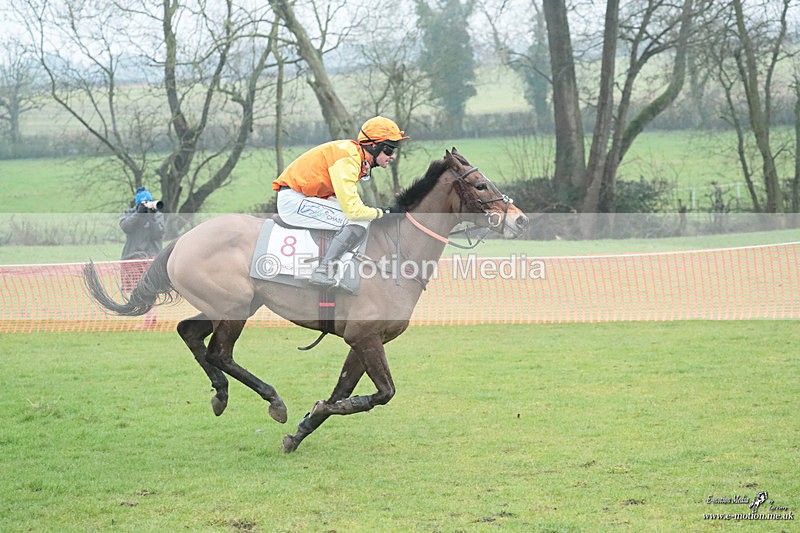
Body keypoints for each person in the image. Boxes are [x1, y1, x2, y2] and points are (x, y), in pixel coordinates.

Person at [272, 116, 409, 288]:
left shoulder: (355, 157)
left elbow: (350, 203)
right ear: (374, 146)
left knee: (361, 217)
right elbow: (354, 211)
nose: (393, 156)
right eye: (389, 150)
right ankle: (323, 272)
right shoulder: (349, 159)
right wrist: (384, 213)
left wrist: (379, 212)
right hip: (294, 202)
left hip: (304, 197)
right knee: (360, 220)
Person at [120, 186, 165, 329]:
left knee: (149, 288)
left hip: (151, 257)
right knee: (137, 289)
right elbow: (126, 227)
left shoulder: (157, 214)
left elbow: (158, 234)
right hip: (133, 256)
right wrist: (139, 214)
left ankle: (148, 320)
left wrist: (151, 217)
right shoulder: (129, 213)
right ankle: (149, 317)